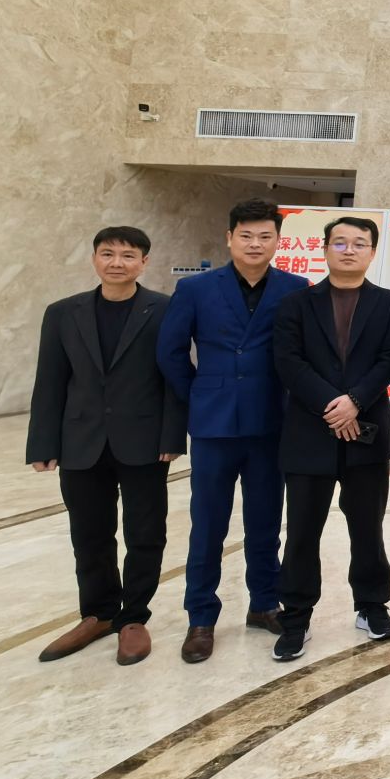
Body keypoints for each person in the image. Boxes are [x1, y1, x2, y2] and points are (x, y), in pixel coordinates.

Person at [26, 226, 187, 666]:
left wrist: (173, 436)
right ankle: (98, 614)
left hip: (145, 441)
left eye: (128, 255)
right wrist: (43, 442)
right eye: (108, 253)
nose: (117, 262)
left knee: (145, 532)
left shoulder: (165, 310)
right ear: (94, 258)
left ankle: (133, 618)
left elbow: (174, 377)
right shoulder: (63, 313)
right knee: (89, 534)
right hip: (81, 441)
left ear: (144, 262)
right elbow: (50, 381)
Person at [157, 198, 309, 663]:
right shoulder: (195, 289)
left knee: (265, 522)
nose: (255, 244)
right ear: (229, 238)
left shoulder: (295, 288)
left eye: (265, 236)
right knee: (207, 526)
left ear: (278, 241)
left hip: (270, 421)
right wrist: (201, 392)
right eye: (246, 235)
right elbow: (170, 351)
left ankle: (264, 604)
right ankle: (201, 617)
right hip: (214, 424)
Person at [270, 215, 390, 662]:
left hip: (366, 435)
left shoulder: (388, 302)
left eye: (359, 243)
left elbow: (389, 358)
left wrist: (355, 401)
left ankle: (372, 606)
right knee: (302, 531)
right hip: (309, 434)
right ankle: (296, 617)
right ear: (325, 248)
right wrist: (334, 406)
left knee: (367, 527)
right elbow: (288, 362)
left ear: (372, 252)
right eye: (340, 242)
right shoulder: (296, 303)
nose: (349, 250)